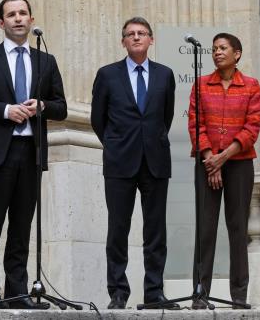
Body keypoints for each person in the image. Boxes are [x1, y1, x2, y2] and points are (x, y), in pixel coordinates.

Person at [0, 0, 67, 309]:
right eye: (11, 14)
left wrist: (42, 106)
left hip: (31, 153)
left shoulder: (45, 61)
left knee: (22, 228)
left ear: (31, 20)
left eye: (23, 13)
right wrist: (6, 110)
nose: (18, 19)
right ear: (1, 23)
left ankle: (17, 293)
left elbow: (60, 105)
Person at [91, 17, 177, 310]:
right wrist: (116, 144)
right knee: (118, 230)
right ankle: (118, 292)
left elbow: (165, 117)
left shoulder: (165, 75)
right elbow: (97, 120)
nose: (136, 37)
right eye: (130, 34)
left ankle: (154, 292)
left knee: (156, 231)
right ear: (123, 41)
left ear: (151, 40)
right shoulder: (107, 75)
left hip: (155, 161)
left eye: (142, 33)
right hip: (119, 162)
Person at [188, 33, 260, 309]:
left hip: (239, 163)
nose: (217, 52)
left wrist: (223, 157)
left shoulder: (251, 86)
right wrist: (211, 159)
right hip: (207, 162)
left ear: (237, 54)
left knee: (237, 228)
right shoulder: (201, 85)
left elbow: (252, 128)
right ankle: (199, 293)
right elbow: (197, 124)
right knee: (205, 229)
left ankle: (239, 296)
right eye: (214, 49)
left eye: (223, 48)